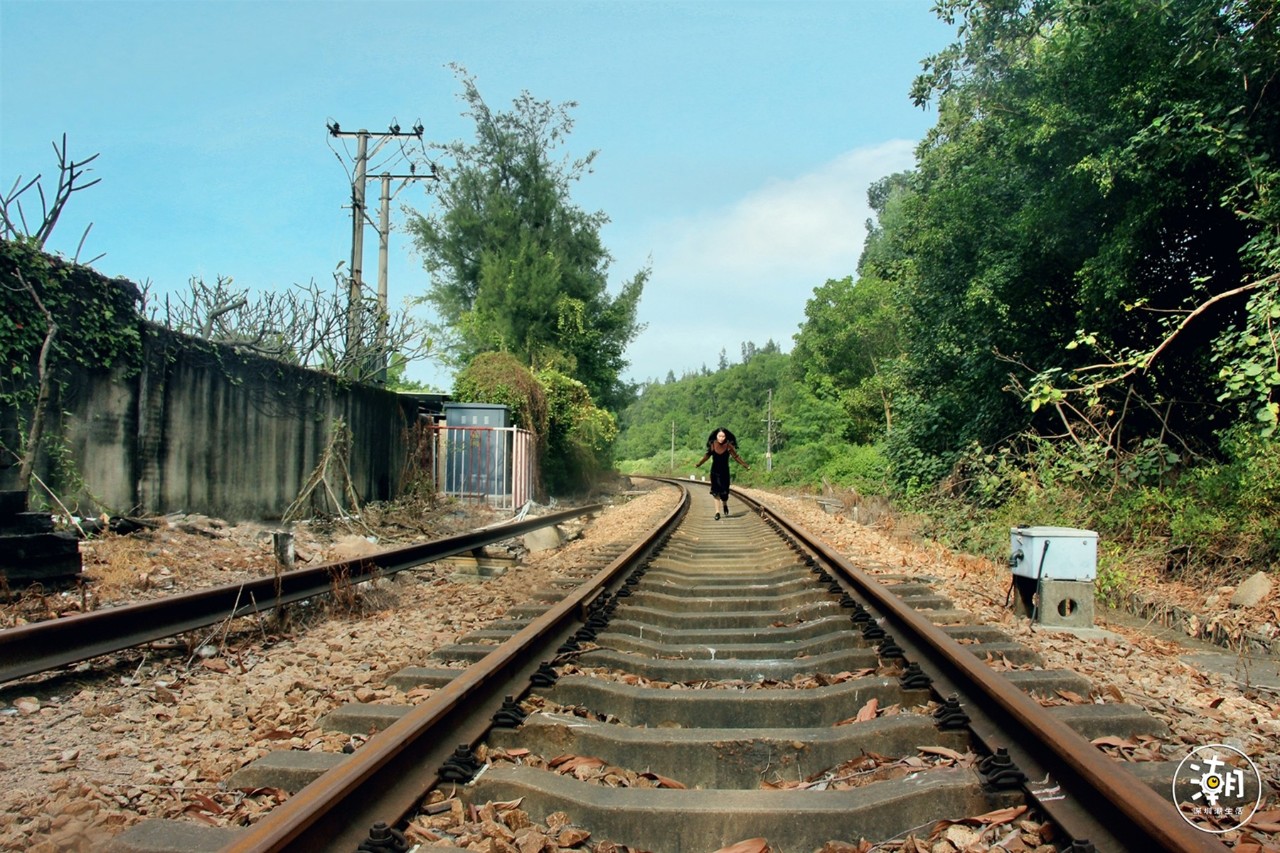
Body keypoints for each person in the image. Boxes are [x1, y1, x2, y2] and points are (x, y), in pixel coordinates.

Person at [694, 427, 749, 520]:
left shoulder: (728, 446)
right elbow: (707, 456)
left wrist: (745, 465)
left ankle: (725, 504)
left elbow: (736, 457)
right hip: (715, 471)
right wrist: (699, 464)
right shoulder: (713, 445)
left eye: (723, 436)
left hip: (724, 472)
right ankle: (717, 512)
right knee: (715, 492)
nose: (721, 438)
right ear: (716, 436)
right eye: (719, 436)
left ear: (725, 437)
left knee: (724, 493)